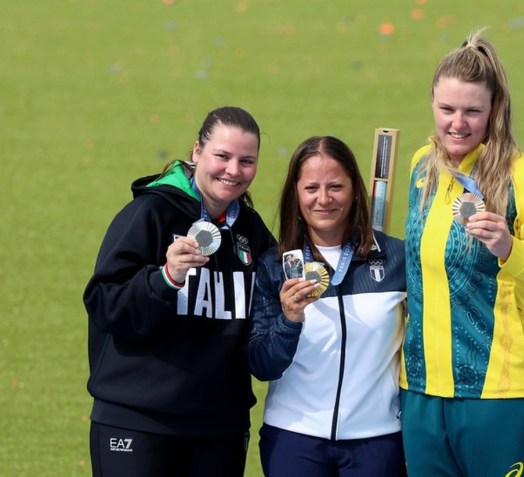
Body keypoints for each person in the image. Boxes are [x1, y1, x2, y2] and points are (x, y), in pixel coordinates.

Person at [400, 29, 524, 476]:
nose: (458, 123)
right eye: (447, 109)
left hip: (501, 399)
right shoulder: (421, 169)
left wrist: (512, 249)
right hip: (421, 394)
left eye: (473, 111)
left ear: (495, 110)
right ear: (431, 102)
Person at [84, 106, 276, 477]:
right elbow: (104, 304)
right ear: (197, 152)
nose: (233, 171)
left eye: (246, 161)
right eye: (222, 156)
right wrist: (165, 278)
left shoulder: (250, 231)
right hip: (138, 420)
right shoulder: (150, 214)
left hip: (220, 427)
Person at [247, 136, 408, 477]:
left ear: (355, 189)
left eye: (336, 186)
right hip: (294, 440)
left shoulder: (397, 259)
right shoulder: (275, 266)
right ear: (295, 193)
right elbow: (262, 364)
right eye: (311, 188)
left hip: (377, 442)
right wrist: (290, 320)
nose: (324, 199)